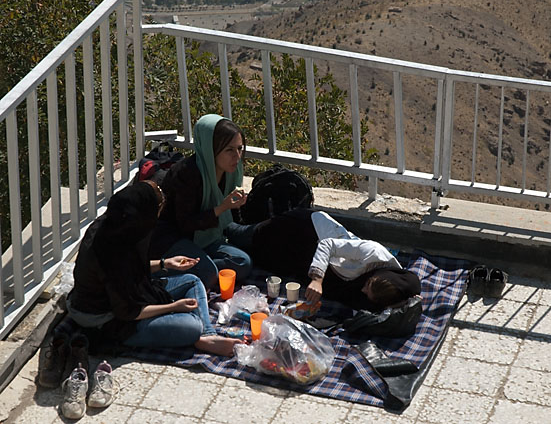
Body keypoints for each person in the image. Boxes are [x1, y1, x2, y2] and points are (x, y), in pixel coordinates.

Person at [66, 181, 243, 357]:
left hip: (129, 297)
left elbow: (131, 269)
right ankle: (201, 334)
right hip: (107, 319)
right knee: (192, 326)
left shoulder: (119, 226)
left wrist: (165, 263)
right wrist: (172, 306)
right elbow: (128, 311)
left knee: (192, 281)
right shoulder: (110, 250)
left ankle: (207, 336)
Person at [149, 114, 254, 290]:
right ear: (210, 149)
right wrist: (222, 208)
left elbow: (233, 218)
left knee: (243, 262)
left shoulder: (231, 171)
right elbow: (185, 224)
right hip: (173, 238)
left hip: (207, 236)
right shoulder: (187, 173)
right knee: (208, 274)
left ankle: (197, 265)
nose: (237, 156)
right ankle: (154, 271)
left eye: (239, 149)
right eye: (229, 150)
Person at [247, 208, 421, 311]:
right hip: (305, 231)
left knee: (266, 262)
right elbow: (328, 244)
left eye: (368, 293)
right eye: (367, 285)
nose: (362, 290)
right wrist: (317, 280)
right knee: (250, 238)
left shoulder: (393, 292)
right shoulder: (374, 253)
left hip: (305, 258)